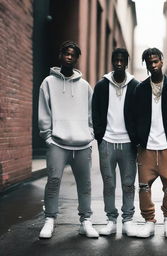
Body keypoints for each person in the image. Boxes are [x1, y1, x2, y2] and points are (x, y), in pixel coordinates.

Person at [38, 41, 99, 239]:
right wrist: (47, 136)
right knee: (53, 180)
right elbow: (44, 110)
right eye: (66, 53)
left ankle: (85, 221)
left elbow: (92, 113)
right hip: (57, 143)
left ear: (76, 59)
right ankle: (49, 219)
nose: (69, 57)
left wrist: (90, 134)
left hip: (82, 144)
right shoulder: (48, 82)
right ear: (61, 56)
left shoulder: (84, 86)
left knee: (85, 184)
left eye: (73, 55)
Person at [133, 48, 167, 238]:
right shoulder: (141, 88)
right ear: (145, 65)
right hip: (146, 146)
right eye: (149, 62)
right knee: (144, 187)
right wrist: (138, 140)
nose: (153, 65)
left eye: (156, 61)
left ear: (162, 61)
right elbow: (134, 117)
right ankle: (149, 221)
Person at [92, 48, 139, 236]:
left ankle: (128, 220)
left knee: (128, 184)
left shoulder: (135, 85)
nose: (119, 63)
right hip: (107, 142)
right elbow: (95, 112)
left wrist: (137, 139)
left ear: (126, 62)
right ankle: (111, 220)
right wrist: (99, 136)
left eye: (122, 60)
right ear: (112, 61)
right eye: (115, 60)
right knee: (109, 183)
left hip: (128, 143)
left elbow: (140, 114)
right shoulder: (102, 85)